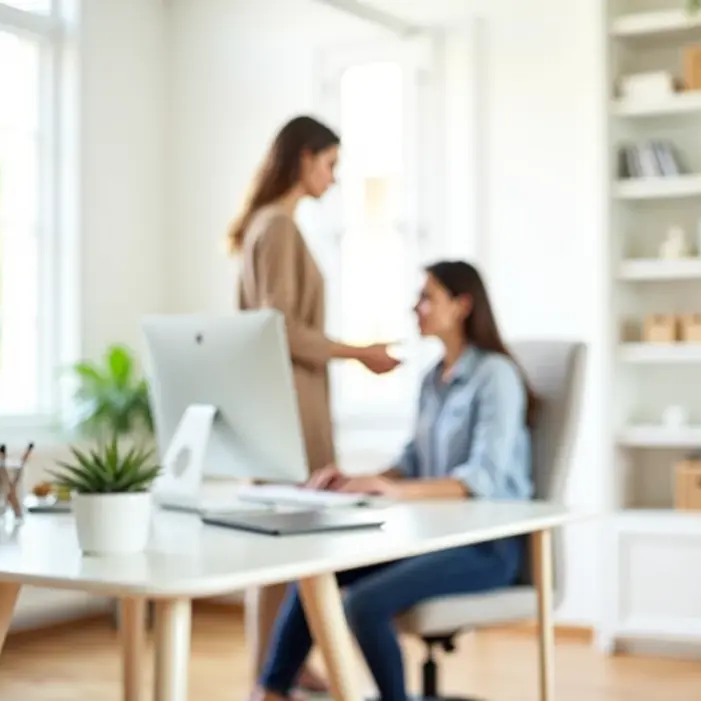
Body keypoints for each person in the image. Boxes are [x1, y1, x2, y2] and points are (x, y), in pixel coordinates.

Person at [248, 260, 539, 701]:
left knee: (364, 604)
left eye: (427, 297)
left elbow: (483, 477)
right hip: (433, 539)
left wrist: (396, 491)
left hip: (488, 548)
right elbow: (411, 459)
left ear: (462, 306)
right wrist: (361, 479)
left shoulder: (495, 376)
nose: (415, 307)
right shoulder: (431, 380)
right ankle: (270, 692)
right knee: (314, 572)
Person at [230, 115, 401, 695]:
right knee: (295, 547)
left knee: (279, 550)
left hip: (276, 404)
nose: (333, 177)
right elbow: (281, 329)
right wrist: (359, 352)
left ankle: (273, 668)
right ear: (304, 158)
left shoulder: (264, 224)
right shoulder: (278, 227)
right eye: (330, 164)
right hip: (289, 409)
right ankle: (270, 673)